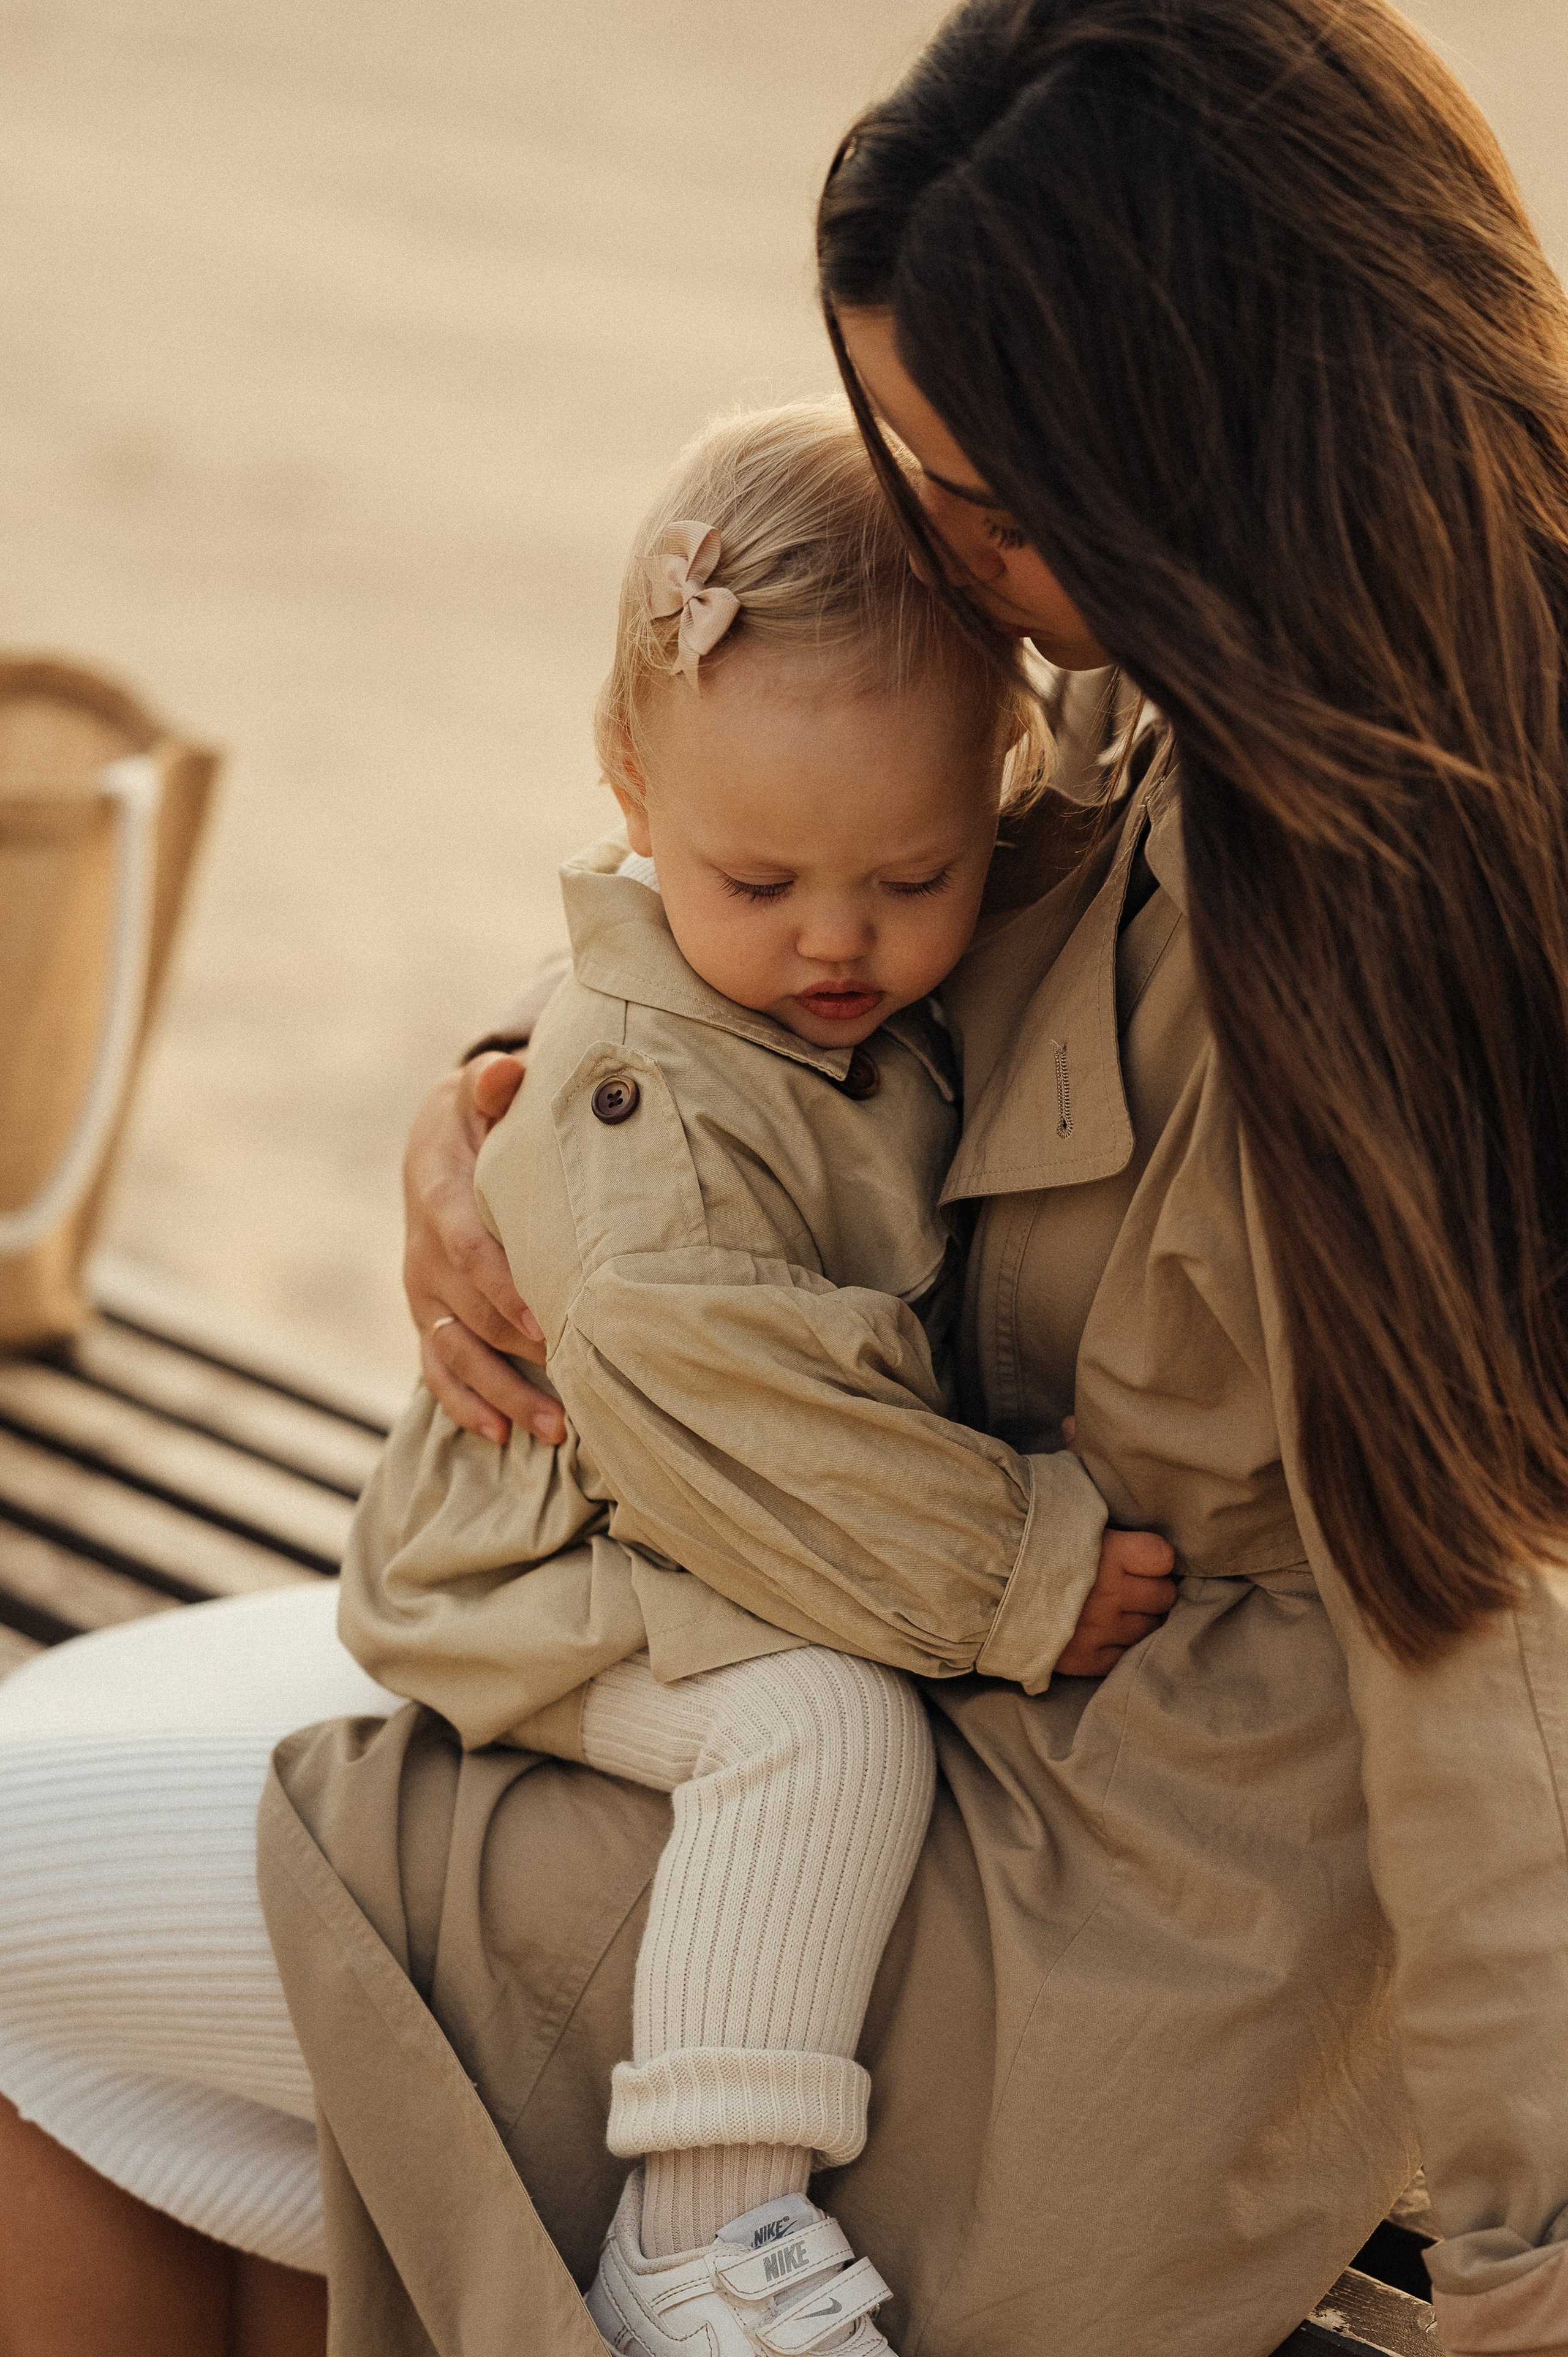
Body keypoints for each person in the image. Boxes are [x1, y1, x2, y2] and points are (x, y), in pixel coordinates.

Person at [5, 2, 1568, 2353]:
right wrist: (519, 1088)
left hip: (1063, 1913)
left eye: (999, 503)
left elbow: (1503, 1662)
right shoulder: (1209, 681)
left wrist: (1535, 2281)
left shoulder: (1393, 903)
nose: (955, 564)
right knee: (90, 1943)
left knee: (22, 1927)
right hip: (872, 1667)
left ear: (1201, 448)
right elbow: (848, 925)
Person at [334, 397, 1175, 2355]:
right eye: (763, 884)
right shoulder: (655, 1141)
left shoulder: (878, 877)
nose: (836, 945)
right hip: (559, 1552)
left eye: (910, 877)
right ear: (628, 787)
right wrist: (1015, 1575)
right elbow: (749, 1426)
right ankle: (704, 2236)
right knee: (823, 1728)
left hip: (693, 1497)